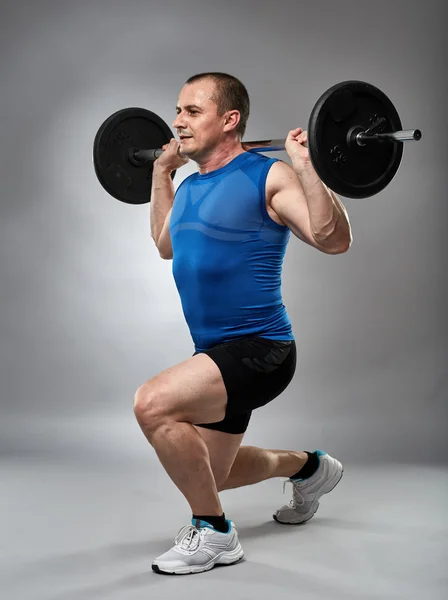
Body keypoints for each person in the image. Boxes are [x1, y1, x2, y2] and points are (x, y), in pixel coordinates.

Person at [133, 72, 352, 576]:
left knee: (153, 405)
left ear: (230, 120)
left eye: (192, 111)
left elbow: (332, 238)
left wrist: (307, 167)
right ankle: (310, 468)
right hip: (215, 352)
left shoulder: (267, 175)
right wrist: (160, 174)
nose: (177, 121)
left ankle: (213, 533)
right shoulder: (188, 186)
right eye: (178, 110)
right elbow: (166, 245)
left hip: (261, 348)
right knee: (211, 475)